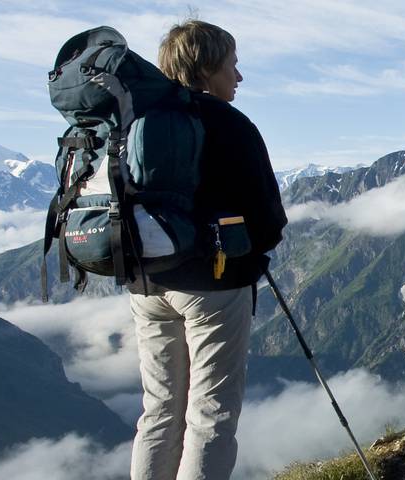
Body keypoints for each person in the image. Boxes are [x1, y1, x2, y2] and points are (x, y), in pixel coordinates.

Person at [129, 19, 285, 480]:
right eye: (232, 66)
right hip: (214, 286)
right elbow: (268, 217)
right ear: (205, 68)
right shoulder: (229, 123)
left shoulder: (139, 121)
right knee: (211, 414)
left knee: (158, 411)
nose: (238, 77)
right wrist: (254, 251)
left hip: (145, 283)